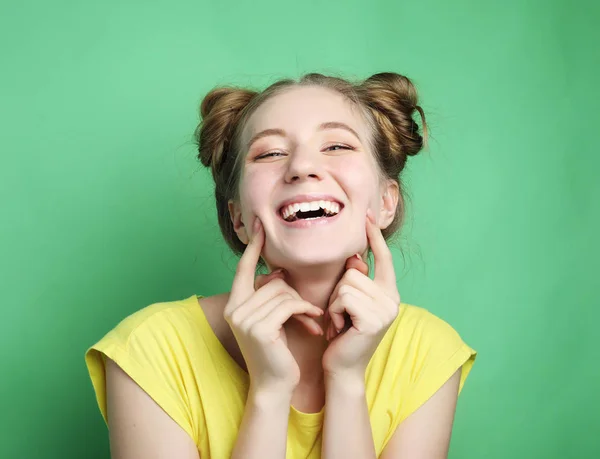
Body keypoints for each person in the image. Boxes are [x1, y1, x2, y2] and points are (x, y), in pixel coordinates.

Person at [85, 72, 477, 458]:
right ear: (237, 217)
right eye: (270, 153)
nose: (301, 167)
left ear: (386, 202)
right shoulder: (150, 349)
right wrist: (270, 391)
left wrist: (346, 380)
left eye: (337, 145)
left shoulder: (428, 352)